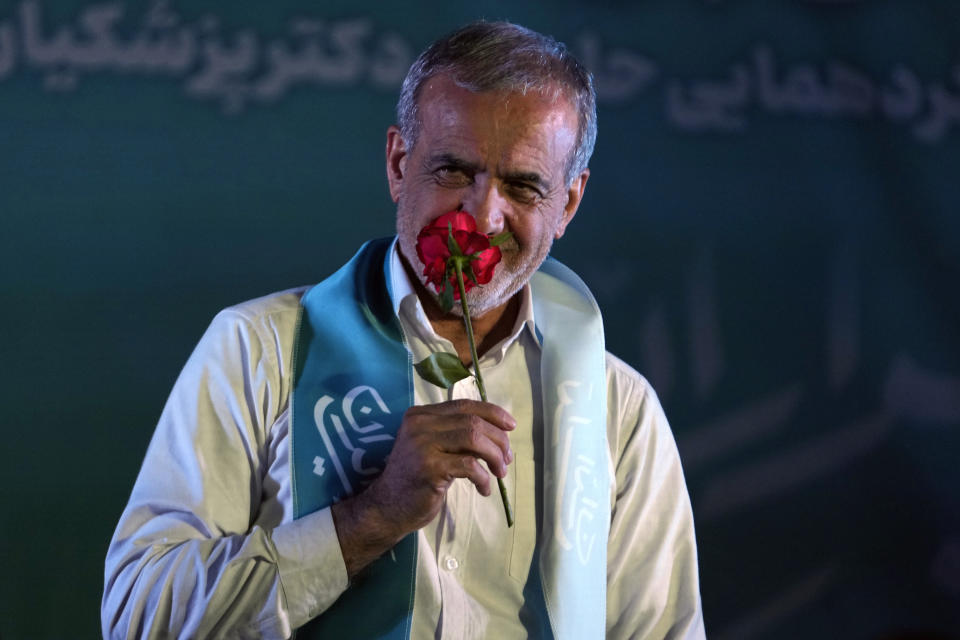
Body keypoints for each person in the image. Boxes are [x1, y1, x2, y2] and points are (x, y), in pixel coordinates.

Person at [102, 21, 705, 639]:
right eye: (453, 172)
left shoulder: (616, 410)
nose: (482, 215)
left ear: (569, 205)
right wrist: (367, 519)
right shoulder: (259, 350)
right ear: (398, 163)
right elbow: (137, 618)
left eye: (523, 186)